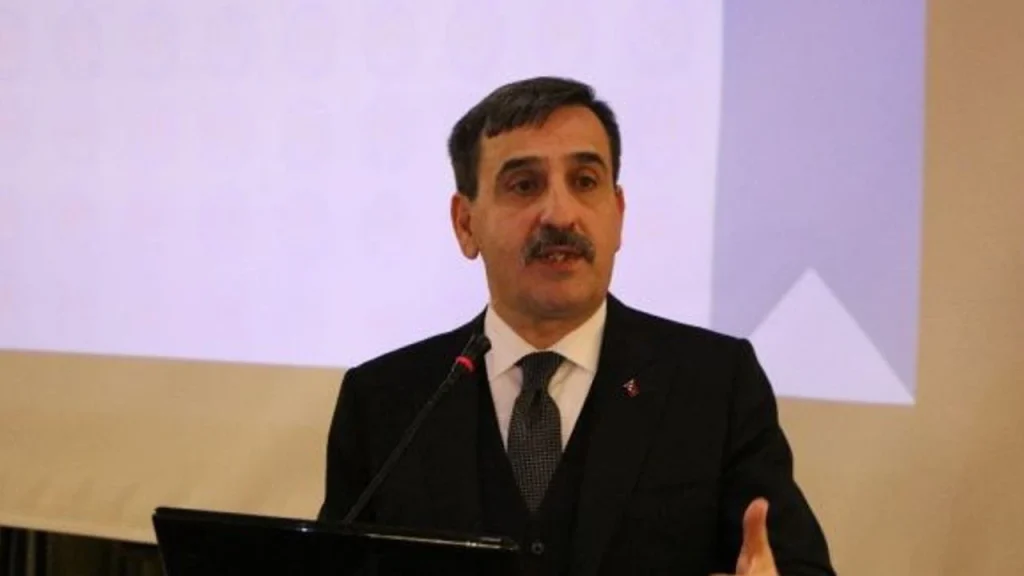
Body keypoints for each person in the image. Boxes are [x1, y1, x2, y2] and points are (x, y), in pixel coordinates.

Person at [318, 77, 836, 576]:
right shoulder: (385, 401)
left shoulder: (714, 384)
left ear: (618, 212)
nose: (560, 214)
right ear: (465, 223)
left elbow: (794, 564)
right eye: (524, 185)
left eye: (585, 182)